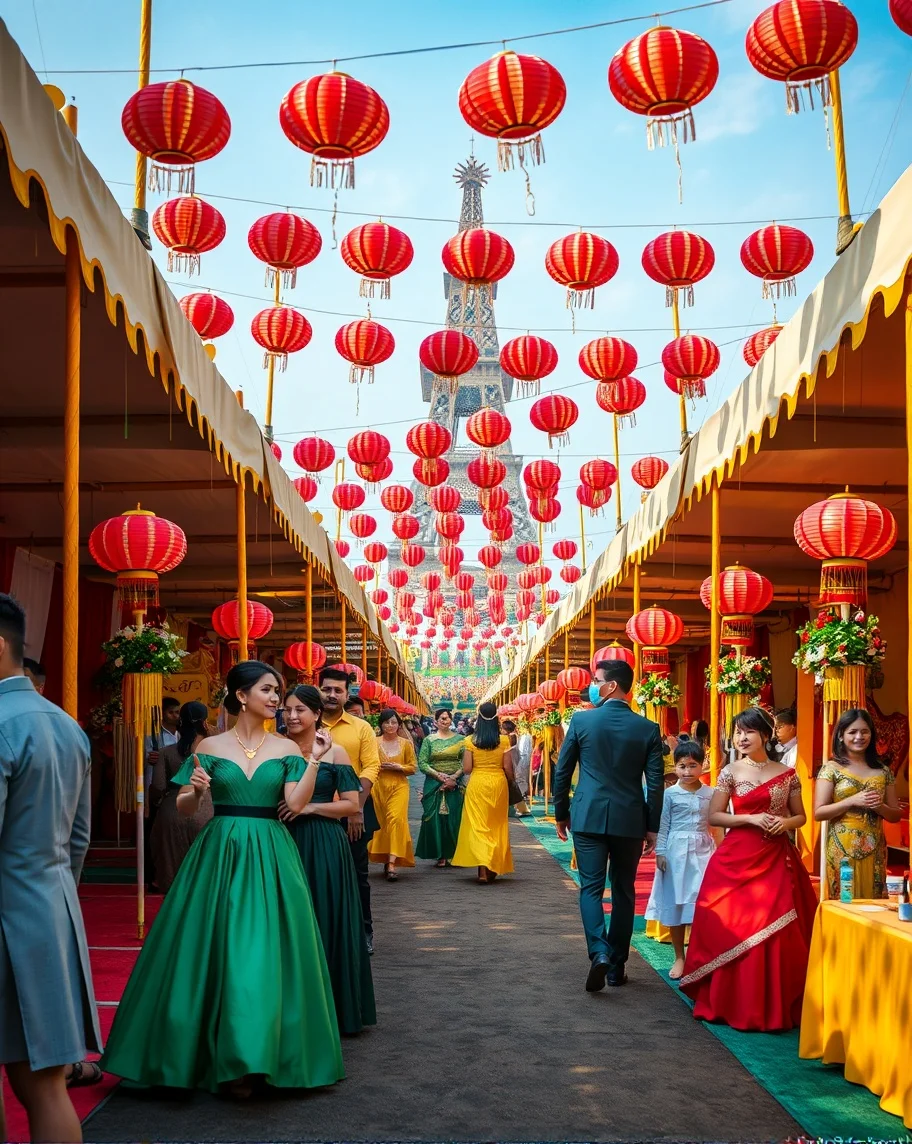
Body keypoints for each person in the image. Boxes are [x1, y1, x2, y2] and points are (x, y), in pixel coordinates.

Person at [101, 661, 343, 1096]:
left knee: (262, 951)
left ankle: (253, 1058)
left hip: (271, 850)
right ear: (241, 696)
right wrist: (196, 788)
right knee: (206, 947)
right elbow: (186, 807)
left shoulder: (288, 749)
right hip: (219, 849)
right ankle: (195, 1053)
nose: (277, 700)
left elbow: (294, 803)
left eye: (279, 692)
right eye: (269, 691)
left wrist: (314, 762)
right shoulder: (208, 745)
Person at [0, 595, 100, 1144]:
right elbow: (79, 837)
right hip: (51, 906)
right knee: (43, 1086)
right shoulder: (67, 726)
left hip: (4, 912)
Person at [680, 707, 817, 1031]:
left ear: (765, 736)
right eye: (738, 732)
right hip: (736, 857)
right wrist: (751, 818)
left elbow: (801, 817)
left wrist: (784, 822)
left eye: (748, 731)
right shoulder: (730, 772)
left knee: (778, 930)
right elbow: (715, 817)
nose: (741, 737)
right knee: (731, 924)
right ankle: (730, 1003)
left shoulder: (787, 773)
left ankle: (773, 1006)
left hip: (775, 857)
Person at [553, 660, 664, 992]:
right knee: (624, 891)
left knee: (590, 888)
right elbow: (655, 784)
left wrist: (561, 813)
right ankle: (617, 966)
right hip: (629, 818)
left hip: (587, 815)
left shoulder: (582, 721)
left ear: (612, 685)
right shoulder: (647, 728)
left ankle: (599, 951)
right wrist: (652, 826)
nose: (592, 685)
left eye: (596, 680)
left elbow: (562, 770)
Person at [281, 685, 376, 1035]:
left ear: (317, 714)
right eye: (286, 709)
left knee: (323, 917)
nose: (292, 716)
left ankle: (332, 1006)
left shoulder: (335, 753)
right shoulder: (273, 748)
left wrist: (310, 808)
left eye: (300, 710)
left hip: (322, 842)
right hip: (281, 839)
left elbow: (352, 804)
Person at [319, 667, 382, 955]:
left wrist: (356, 807)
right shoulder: (305, 720)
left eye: (338, 690)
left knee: (357, 873)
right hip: (313, 807)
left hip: (353, 808)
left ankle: (363, 930)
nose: (331, 695)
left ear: (347, 694)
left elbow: (371, 766)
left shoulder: (362, 728)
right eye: (327, 689)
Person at [645, 741, 716, 981]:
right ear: (675, 767)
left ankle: (699, 957)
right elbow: (663, 825)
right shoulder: (670, 794)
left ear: (703, 765)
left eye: (692, 765)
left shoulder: (711, 793)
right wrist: (661, 852)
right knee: (676, 903)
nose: (687, 772)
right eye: (682, 766)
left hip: (703, 850)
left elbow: (717, 826)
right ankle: (679, 956)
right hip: (675, 851)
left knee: (700, 903)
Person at [814, 708, 902, 900]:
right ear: (840, 736)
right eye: (852, 732)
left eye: (864, 731)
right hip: (841, 848)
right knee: (844, 900)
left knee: (873, 902)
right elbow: (819, 813)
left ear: (872, 734)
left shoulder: (883, 771)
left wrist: (880, 807)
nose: (859, 737)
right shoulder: (831, 769)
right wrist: (851, 801)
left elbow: (895, 815)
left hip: (875, 847)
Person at [148, 701, 213, 892]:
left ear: (180, 721)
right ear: (205, 722)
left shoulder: (166, 752)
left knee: (171, 871)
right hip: (207, 810)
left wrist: (157, 801)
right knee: (205, 872)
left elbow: (158, 786)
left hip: (172, 810)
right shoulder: (216, 752)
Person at [452, 703, 516, 883]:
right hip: (498, 783)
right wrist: (512, 781)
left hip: (477, 783)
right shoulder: (504, 740)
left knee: (479, 826)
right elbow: (508, 768)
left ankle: (482, 869)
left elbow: (466, 769)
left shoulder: (469, 741)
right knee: (496, 825)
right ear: (497, 717)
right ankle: (492, 865)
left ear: (478, 718)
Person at [369, 709, 417, 879]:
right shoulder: (373, 742)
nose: (391, 726)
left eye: (394, 722)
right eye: (387, 722)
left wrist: (399, 767)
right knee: (383, 823)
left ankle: (391, 863)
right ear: (381, 724)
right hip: (379, 786)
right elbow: (368, 763)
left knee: (396, 819)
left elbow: (412, 767)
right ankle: (385, 856)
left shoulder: (405, 744)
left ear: (399, 724)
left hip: (399, 785)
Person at [415, 709, 467, 867]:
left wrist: (453, 778)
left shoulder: (462, 740)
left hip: (455, 783)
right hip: (433, 783)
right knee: (434, 818)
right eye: (442, 718)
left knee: (454, 817)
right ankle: (440, 855)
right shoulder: (429, 740)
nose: (445, 721)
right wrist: (439, 776)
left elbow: (466, 762)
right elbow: (422, 763)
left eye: (447, 718)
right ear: (435, 721)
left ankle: (453, 854)